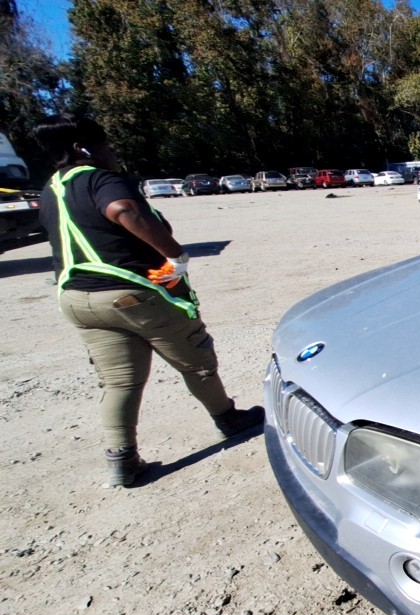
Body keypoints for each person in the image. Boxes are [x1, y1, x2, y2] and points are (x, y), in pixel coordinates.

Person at [34, 114, 263, 488]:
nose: (112, 151)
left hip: (78, 299)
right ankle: (228, 419)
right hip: (132, 293)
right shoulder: (98, 178)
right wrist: (177, 257)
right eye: (106, 144)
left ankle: (122, 460)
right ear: (83, 148)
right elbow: (123, 210)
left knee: (120, 382)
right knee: (196, 361)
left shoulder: (51, 189)